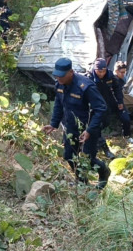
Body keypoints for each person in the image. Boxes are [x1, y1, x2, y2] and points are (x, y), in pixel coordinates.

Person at [42, 57, 111, 189]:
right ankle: (82, 182)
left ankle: (104, 172)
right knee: (69, 156)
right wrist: (54, 123)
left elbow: (101, 108)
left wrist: (90, 130)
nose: (59, 79)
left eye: (62, 76)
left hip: (88, 128)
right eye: (57, 76)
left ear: (71, 72)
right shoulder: (59, 84)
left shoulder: (85, 86)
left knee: (89, 159)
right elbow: (58, 104)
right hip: (70, 127)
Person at [86, 58, 132, 159]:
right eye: (99, 71)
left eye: (103, 71)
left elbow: (117, 88)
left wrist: (119, 101)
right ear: (95, 69)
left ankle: (96, 140)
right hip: (94, 105)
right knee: (95, 127)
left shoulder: (110, 75)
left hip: (107, 102)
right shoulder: (89, 78)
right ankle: (103, 148)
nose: (101, 74)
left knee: (106, 122)